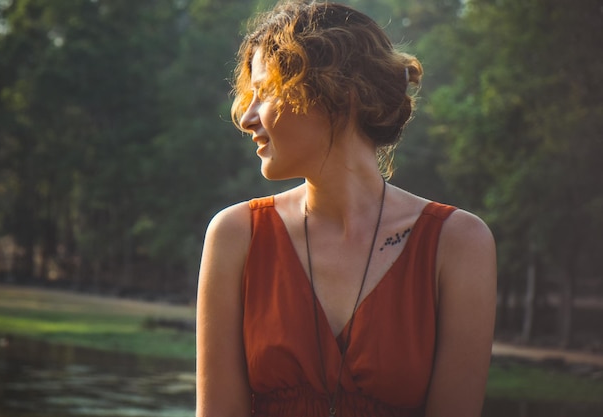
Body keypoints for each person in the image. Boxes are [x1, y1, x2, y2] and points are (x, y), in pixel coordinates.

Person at [196, 1, 496, 416]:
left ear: (337, 93)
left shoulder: (458, 243)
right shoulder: (236, 235)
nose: (246, 118)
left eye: (264, 92)